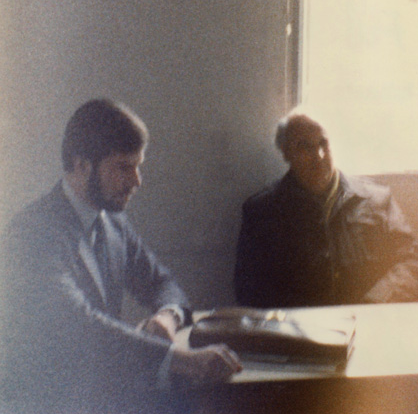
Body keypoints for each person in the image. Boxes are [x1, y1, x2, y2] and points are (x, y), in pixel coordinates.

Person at [0, 99, 241, 414]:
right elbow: (79, 327)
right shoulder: (31, 234)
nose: (137, 181)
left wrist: (166, 316)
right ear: (80, 164)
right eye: (124, 167)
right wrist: (179, 361)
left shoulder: (112, 222)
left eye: (138, 166)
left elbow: (161, 281)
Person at [234, 108, 418, 308]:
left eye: (323, 143)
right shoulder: (262, 212)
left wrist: (376, 301)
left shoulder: (376, 199)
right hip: (299, 333)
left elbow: (415, 264)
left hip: (370, 325)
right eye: (305, 147)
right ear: (285, 152)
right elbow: (249, 289)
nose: (318, 156)